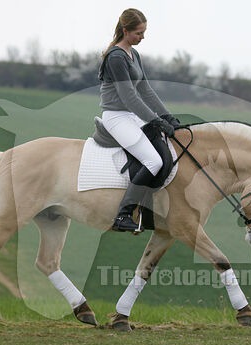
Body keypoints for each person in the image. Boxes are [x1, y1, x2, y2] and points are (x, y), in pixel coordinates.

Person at [99, 8, 180, 232]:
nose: (142, 37)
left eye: (144, 32)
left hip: (132, 116)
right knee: (153, 161)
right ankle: (123, 215)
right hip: (116, 117)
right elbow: (129, 97)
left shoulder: (134, 55)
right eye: (138, 33)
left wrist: (167, 116)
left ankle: (147, 211)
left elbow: (146, 90)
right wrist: (155, 121)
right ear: (125, 31)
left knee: (166, 154)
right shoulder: (116, 57)